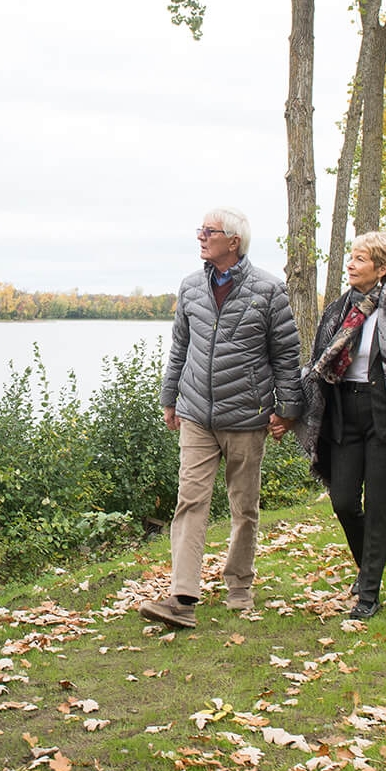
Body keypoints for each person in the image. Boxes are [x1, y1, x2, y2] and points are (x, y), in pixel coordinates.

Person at [139, 207, 304, 630]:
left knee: (243, 507)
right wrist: (169, 396)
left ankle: (239, 586)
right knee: (190, 501)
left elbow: (286, 355)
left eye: (208, 231)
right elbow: (179, 347)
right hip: (196, 413)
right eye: (200, 230)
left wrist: (287, 409)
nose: (200, 237)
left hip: (246, 417)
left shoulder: (269, 290)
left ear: (233, 241)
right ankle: (182, 597)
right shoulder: (191, 287)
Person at [296, 232, 386, 620]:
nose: (351, 264)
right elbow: (317, 364)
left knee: (378, 505)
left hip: (385, 417)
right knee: (343, 501)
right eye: (351, 257)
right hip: (344, 415)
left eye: (360, 259)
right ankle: (367, 569)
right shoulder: (338, 310)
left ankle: (369, 594)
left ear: (382, 268)